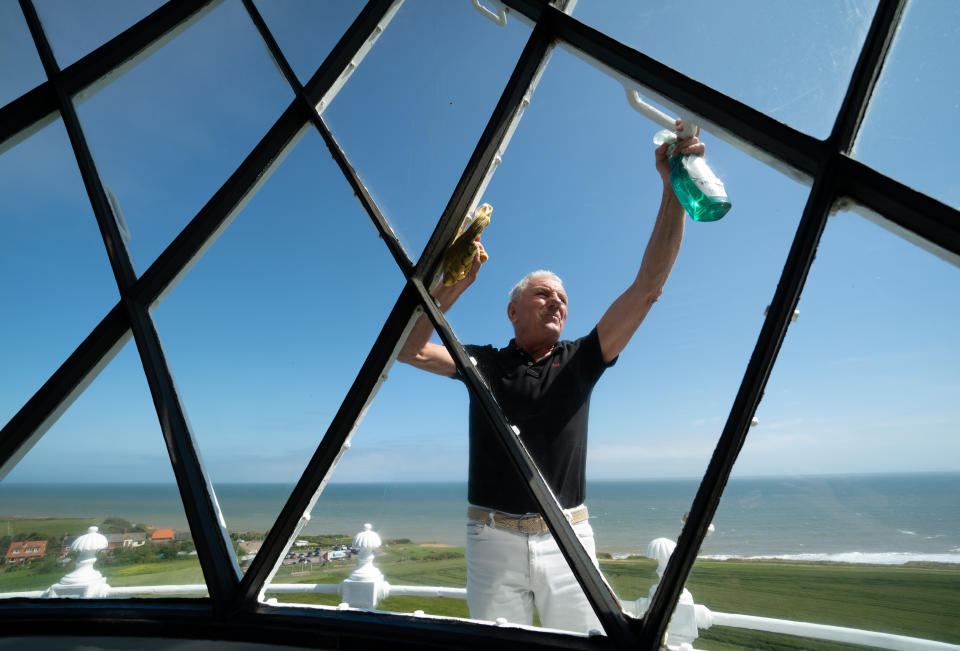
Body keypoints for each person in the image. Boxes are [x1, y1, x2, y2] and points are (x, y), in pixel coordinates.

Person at [397, 120, 705, 634]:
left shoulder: (584, 357)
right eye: (543, 293)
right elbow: (409, 349)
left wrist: (673, 188)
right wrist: (454, 284)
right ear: (513, 311)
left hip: (568, 538)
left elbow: (648, 287)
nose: (557, 300)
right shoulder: (486, 364)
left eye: (562, 296)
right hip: (490, 540)